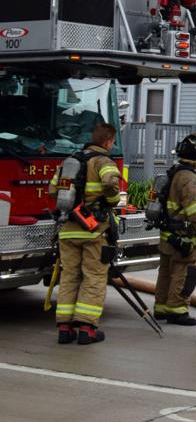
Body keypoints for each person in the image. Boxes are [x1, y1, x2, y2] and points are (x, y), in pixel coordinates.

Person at [50, 122, 122, 345]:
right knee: (93, 277)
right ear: (108, 142)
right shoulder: (104, 162)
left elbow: (54, 190)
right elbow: (111, 184)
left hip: (68, 230)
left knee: (70, 276)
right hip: (94, 231)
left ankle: (64, 328)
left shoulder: (69, 161)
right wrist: (111, 201)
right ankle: (87, 330)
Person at [153, 131, 196, 325]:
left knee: (166, 271)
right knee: (183, 272)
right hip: (183, 237)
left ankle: (161, 307)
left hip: (168, 234)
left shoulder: (175, 171)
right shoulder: (189, 177)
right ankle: (176, 310)